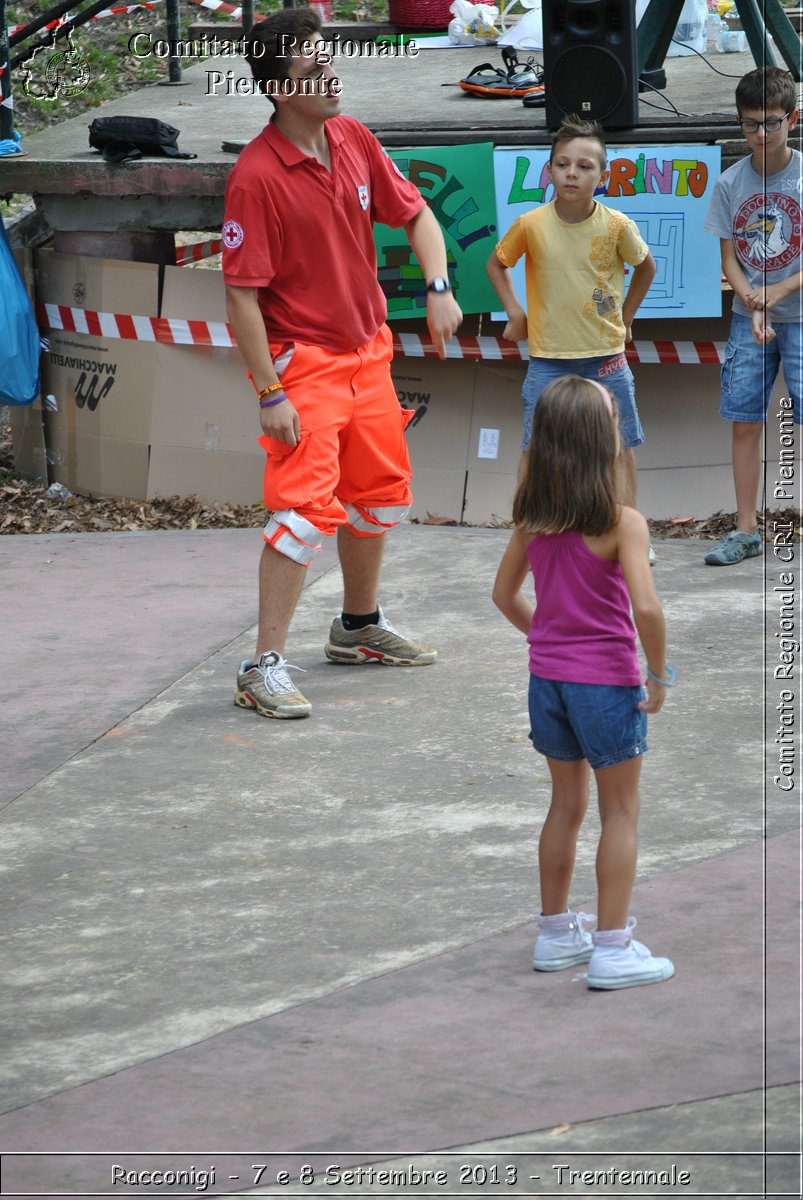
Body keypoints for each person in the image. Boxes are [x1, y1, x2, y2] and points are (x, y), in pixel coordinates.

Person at [222, 6, 463, 718]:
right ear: (277, 90)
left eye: (329, 61)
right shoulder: (255, 177)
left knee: (380, 498)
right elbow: (240, 299)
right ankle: (260, 666)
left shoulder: (352, 137)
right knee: (302, 515)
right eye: (312, 70)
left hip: (369, 355)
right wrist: (270, 392)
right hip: (305, 366)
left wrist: (439, 286)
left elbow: (416, 214)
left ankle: (357, 628)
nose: (331, 76)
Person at [492, 376, 675, 990]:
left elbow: (504, 595)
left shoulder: (532, 518)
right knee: (620, 811)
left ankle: (553, 934)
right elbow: (646, 610)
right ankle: (613, 947)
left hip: (547, 683)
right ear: (604, 444)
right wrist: (658, 672)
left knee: (565, 807)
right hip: (605, 686)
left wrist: (546, 641)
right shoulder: (623, 522)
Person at [486, 115, 656, 517]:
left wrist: (627, 319)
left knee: (619, 445)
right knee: (535, 445)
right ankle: (527, 529)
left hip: (605, 356)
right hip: (547, 358)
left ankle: (628, 529)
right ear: (549, 170)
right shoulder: (531, 224)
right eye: (562, 164)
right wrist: (515, 312)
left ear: (604, 175)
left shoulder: (617, 225)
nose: (572, 174)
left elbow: (646, 267)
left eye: (584, 166)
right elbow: (497, 264)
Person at [702, 66, 801, 566]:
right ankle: (745, 529)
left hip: (800, 315)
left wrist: (779, 290)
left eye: (771, 123)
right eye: (749, 124)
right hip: (749, 317)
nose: (760, 135)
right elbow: (728, 261)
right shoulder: (729, 183)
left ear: (793, 119)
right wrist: (751, 300)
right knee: (744, 419)